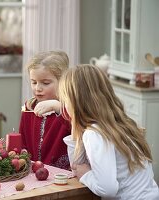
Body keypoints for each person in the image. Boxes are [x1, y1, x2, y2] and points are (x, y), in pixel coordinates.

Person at [58, 64, 159, 199]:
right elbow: (78, 164)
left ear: (75, 102)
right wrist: (76, 128)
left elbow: (107, 189)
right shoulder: (118, 124)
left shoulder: (94, 133)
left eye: (65, 100)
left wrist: (86, 174)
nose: (65, 106)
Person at [19, 51, 71, 169]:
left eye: (45, 83)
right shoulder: (29, 107)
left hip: (63, 176)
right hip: (33, 173)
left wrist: (58, 107)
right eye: (34, 82)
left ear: (62, 81)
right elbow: (22, 140)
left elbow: (79, 130)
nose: (38, 88)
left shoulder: (71, 108)